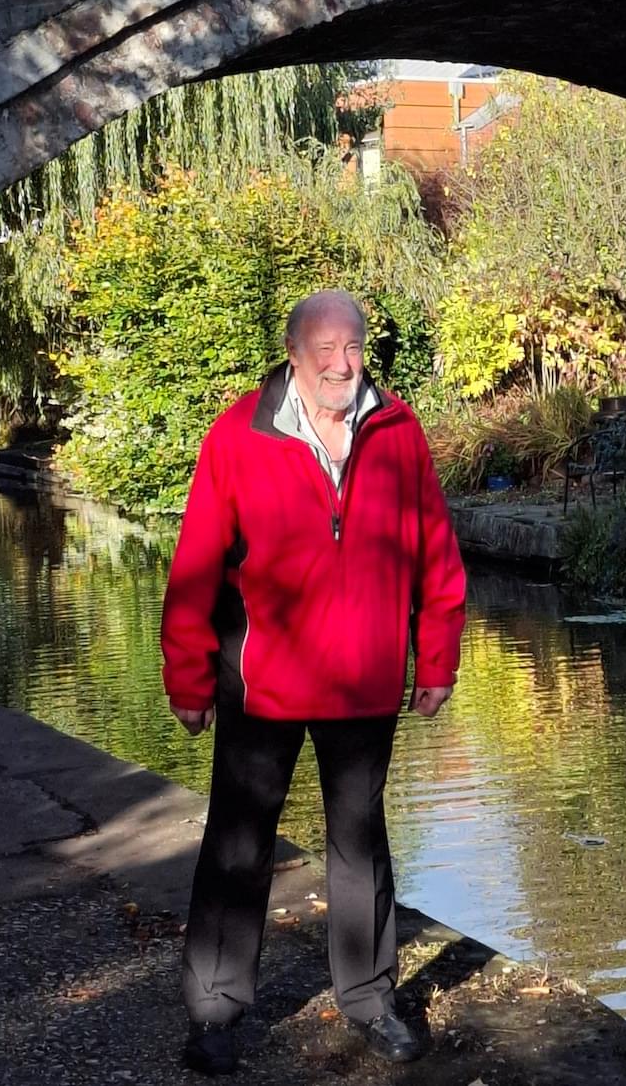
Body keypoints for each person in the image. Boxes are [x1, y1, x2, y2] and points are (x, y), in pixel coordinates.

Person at [161, 289, 466, 1076]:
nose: (340, 364)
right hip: (262, 683)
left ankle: (368, 999)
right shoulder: (239, 435)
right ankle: (216, 1013)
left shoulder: (397, 432)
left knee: (360, 849)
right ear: (293, 353)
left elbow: (436, 552)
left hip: (364, 685)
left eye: (353, 347)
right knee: (237, 845)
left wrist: (436, 658)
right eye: (323, 350)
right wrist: (188, 677)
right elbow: (195, 566)